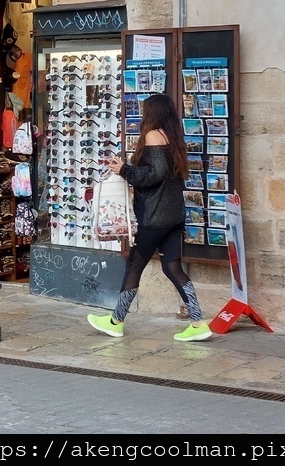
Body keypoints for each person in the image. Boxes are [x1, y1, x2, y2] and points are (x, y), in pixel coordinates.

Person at [87, 93, 212, 342]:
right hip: (173, 214)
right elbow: (162, 173)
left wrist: (123, 169)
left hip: (154, 216)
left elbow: (155, 174)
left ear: (152, 113)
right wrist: (127, 168)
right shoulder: (172, 137)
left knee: (135, 265)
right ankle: (198, 322)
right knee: (172, 267)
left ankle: (116, 321)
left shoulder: (152, 135)